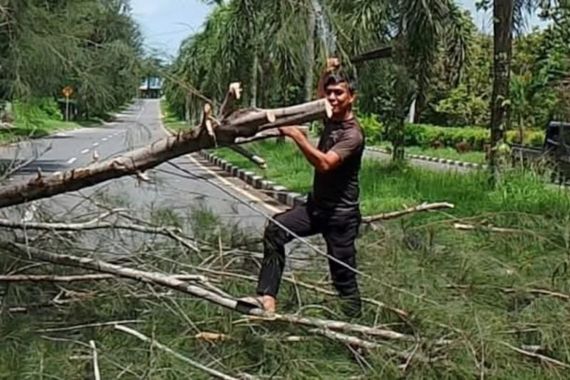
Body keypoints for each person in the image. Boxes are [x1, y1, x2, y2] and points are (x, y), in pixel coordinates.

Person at [242, 58, 365, 317]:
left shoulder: (352, 134)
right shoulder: (331, 115)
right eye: (329, 93)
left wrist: (297, 136)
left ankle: (356, 332)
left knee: (343, 278)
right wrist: (326, 71)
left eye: (339, 93)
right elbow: (321, 95)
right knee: (276, 229)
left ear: (352, 97)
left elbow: (324, 164)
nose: (331, 98)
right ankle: (267, 297)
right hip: (316, 208)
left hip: (340, 217)